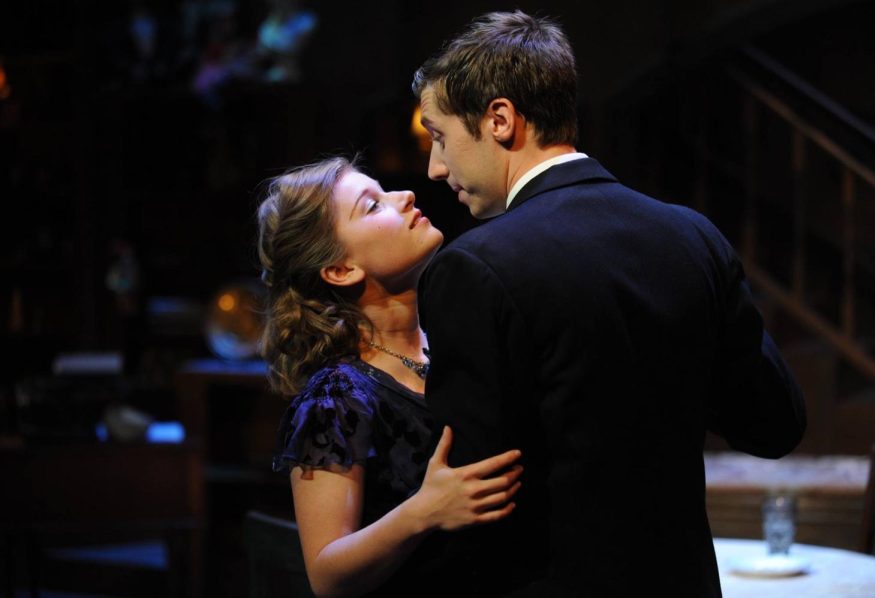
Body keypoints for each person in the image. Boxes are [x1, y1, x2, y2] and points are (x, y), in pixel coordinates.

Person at [412, 10, 807, 596]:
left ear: (499, 120)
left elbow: (474, 500)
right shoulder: (693, 237)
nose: (435, 167)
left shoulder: (475, 266)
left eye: (440, 136)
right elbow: (775, 424)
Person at [257, 157, 524, 597]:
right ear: (341, 270)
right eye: (373, 206)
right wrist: (425, 511)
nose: (405, 196)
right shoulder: (337, 397)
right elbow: (326, 574)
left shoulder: (451, 344)